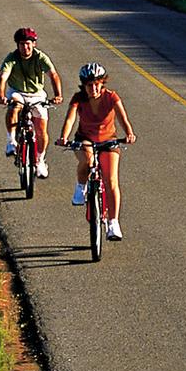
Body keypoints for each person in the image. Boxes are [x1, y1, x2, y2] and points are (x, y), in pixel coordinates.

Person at [58, 62, 137, 241]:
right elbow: (70, 119)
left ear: (102, 83)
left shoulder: (111, 97)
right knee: (88, 160)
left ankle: (113, 223)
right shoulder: (78, 98)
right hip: (85, 139)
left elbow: (122, 117)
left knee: (111, 180)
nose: (93, 88)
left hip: (109, 141)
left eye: (96, 84)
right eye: (89, 85)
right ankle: (81, 187)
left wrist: (129, 133)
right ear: (83, 85)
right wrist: (64, 137)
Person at [0, 26, 61, 178]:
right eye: (22, 44)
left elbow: (54, 75)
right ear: (17, 45)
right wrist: (0, 95)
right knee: (14, 106)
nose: (25, 47)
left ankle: (39, 160)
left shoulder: (40, 57)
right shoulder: (11, 58)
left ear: (34, 44)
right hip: (17, 92)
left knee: (41, 130)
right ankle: (11, 141)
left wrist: (58, 95)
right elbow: (2, 77)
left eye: (28, 43)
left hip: (37, 94)